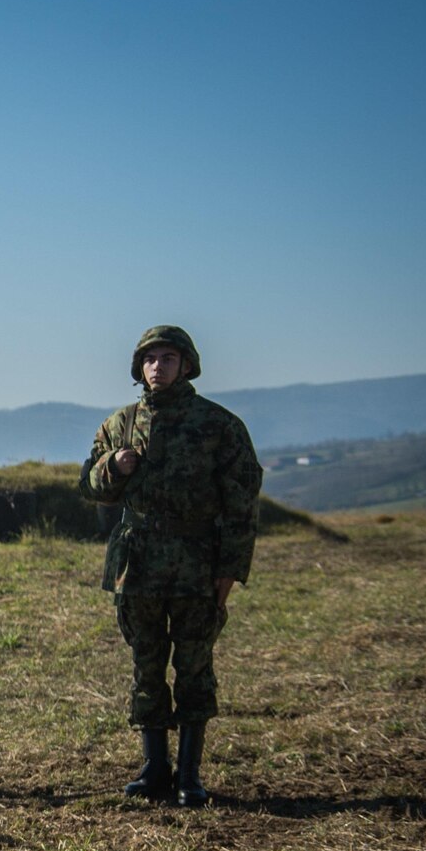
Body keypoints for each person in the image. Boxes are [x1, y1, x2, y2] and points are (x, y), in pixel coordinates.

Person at [79, 326, 262, 806]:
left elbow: (242, 504)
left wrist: (230, 569)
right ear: (140, 368)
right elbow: (88, 484)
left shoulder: (219, 425)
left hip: (196, 562)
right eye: (150, 358)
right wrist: (113, 468)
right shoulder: (120, 424)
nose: (158, 366)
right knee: (147, 665)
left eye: (169, 358)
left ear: (187, 365)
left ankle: (190, 774)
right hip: (137, 564)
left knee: (195, 667)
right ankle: (154, 766)